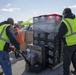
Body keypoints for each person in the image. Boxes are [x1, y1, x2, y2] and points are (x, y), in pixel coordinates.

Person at [55, 8, 76, 75]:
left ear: (65, 13)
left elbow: (60, 34)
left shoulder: (65, 22)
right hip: (75, 43)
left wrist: (55, 39)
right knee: (74, 58)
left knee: (66, 61)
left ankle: (66, 74)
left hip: (69, 44)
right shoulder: (75, 20)